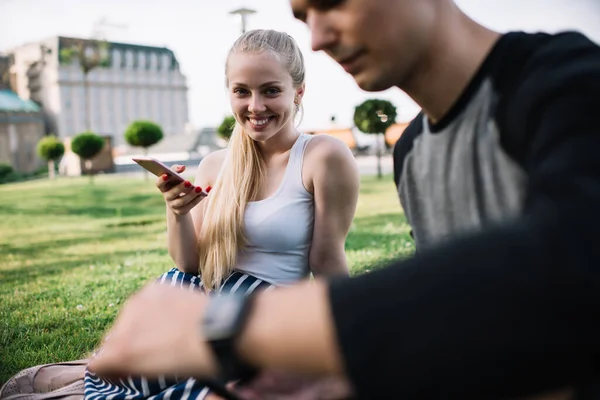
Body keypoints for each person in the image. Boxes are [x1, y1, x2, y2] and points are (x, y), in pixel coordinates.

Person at [88, 0, 600, 399]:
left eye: (332, 2)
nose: (316, 37)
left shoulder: (567, 80)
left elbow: (572, 261)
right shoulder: (416, 149)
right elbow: (469, 334)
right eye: (304, 14)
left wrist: (232, 328)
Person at [0, 29, 359, 400]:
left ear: (298, 92)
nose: (255, 106)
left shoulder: (322, 155)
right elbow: (188, 264)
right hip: (204, 297)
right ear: (229, 93)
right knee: (157, 350)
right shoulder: (215, 164)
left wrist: (347, 344)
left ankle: (91, 380)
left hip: (266, 316)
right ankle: (95, 377)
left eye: (270, 90)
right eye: (241, 91)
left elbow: (327, 259)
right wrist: (177, 211)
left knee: (206, 387)